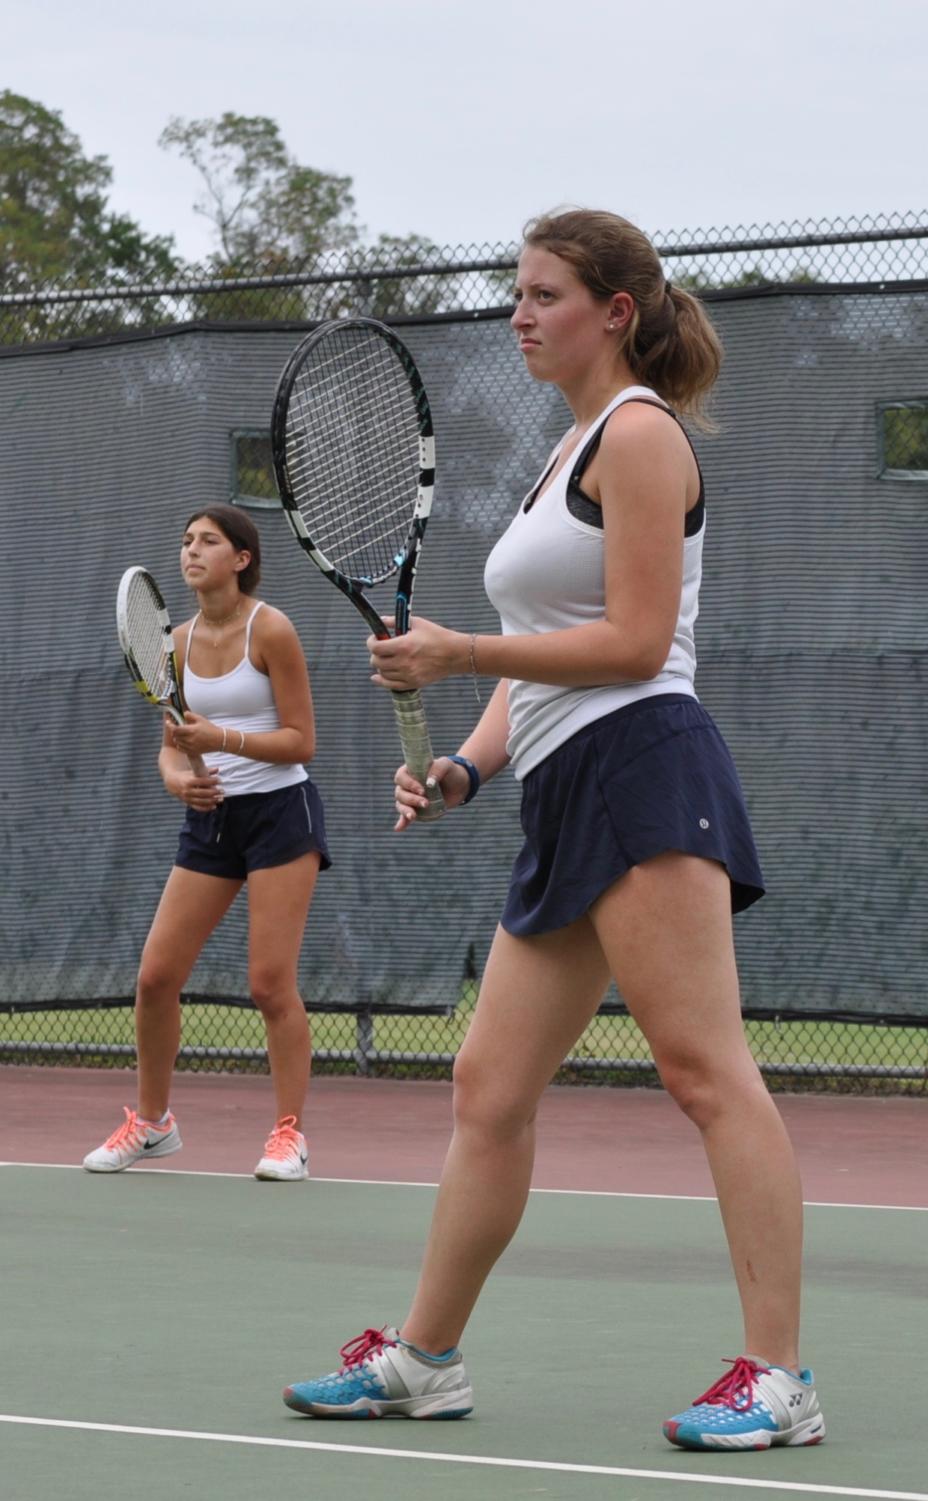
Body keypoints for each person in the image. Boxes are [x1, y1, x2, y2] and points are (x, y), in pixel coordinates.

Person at [280, 210, 825, 1448]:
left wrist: (458, 645)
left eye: (542, 294)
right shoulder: (563, 449)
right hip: (564, 783)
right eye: (514, 294)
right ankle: (425, 1360)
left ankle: (780, 1378)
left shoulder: (638, 435)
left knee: (702, 1071)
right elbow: (538, 673)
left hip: (643, 768)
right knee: (488, 1084)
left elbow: (631, 642)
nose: (519, 314)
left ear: (613, 311)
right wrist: (468, 768)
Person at [84, 504, 329, 1182]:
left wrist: (220, 739)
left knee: (269, 983)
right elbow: (172, 747)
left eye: (208, 541)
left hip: (282, 813)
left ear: (241, 558)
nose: (191, 551)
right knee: (156, 976)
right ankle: (154, 1123)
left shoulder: (271, 629)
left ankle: (288, 1135)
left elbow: (301, 740)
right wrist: (177, 784)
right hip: (212, 820)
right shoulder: (175, 644)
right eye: (186, 541)